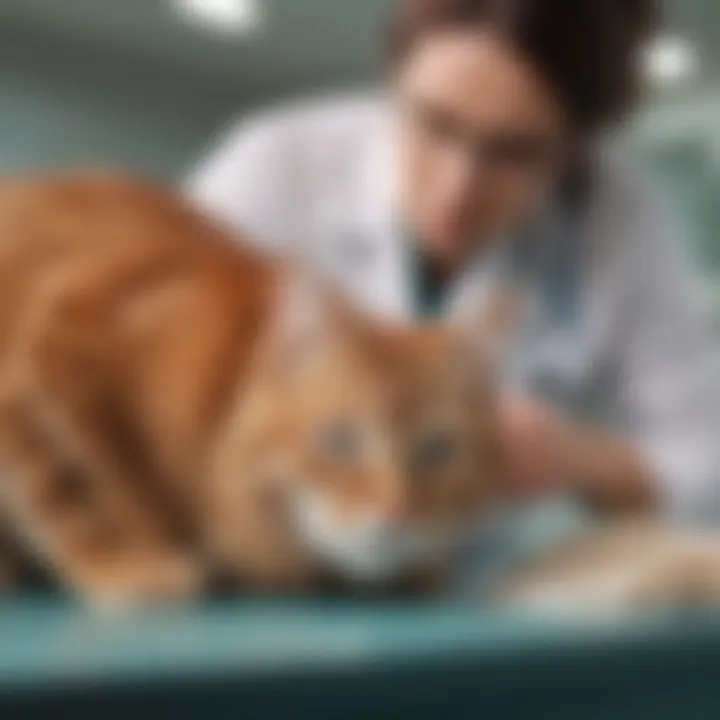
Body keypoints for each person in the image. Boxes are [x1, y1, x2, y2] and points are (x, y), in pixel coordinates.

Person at [186, 0, 720, 523]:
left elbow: (707, 464)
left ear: (574, 150)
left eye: (513, 151)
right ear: (395, 80)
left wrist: (576, 459)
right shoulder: (269, 169)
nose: (457, 188)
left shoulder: (617, 214)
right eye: (434, 124)